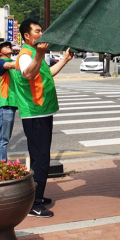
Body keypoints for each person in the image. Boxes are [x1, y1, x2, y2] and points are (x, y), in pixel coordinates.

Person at [16, 19, 74, 218]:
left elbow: (47, 74)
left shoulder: (35, 54)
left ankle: (37, 195)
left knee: (42, 157)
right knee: (40, 159)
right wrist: (40, 54)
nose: (42, 34)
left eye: (42, 30)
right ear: (27, 36)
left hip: (43, 112)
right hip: (35, 113)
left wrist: (64, 60)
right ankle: (34, 204)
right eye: (38, 31)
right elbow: (28, 75)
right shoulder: (25, 55)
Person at [0, 41, 17, 162]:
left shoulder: (7, 62)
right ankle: (2, 166)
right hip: (3, 105)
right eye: (5, 46)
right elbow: (10, 65)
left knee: (4, 138)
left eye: (9, 46)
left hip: (8, 105)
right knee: (3, 139)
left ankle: (1, 164)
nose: (8, 47)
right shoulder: (1, 61)